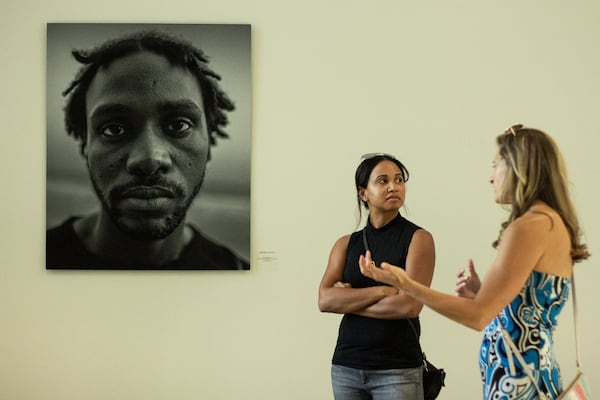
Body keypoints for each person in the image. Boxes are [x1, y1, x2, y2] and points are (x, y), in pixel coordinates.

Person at [360, 125, 590, 399]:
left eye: (496, 165)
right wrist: (482, 292)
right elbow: (530, 311)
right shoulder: (550, 221)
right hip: (532, 376)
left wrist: (407, 284)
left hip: (518, 385)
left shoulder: (529, 226)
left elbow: (478, 316)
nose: (491, 178)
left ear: (519, 168)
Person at [46, 30, 249, 270]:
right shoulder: (22, 263)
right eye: (114, 129)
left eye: (178, 125)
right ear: (85, 144)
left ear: (209, 139)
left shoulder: (236, 274)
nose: (149, 159)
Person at [318, 153, 436, 400]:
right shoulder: (345, 244)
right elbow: (325, 301)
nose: (394, 186)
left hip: (398, 369)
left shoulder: (419, 239)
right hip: (346, 366)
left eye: (399, 180)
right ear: (364, 193)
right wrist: (383, 290)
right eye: (382, 181)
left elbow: (409, 305)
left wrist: (349, 299)